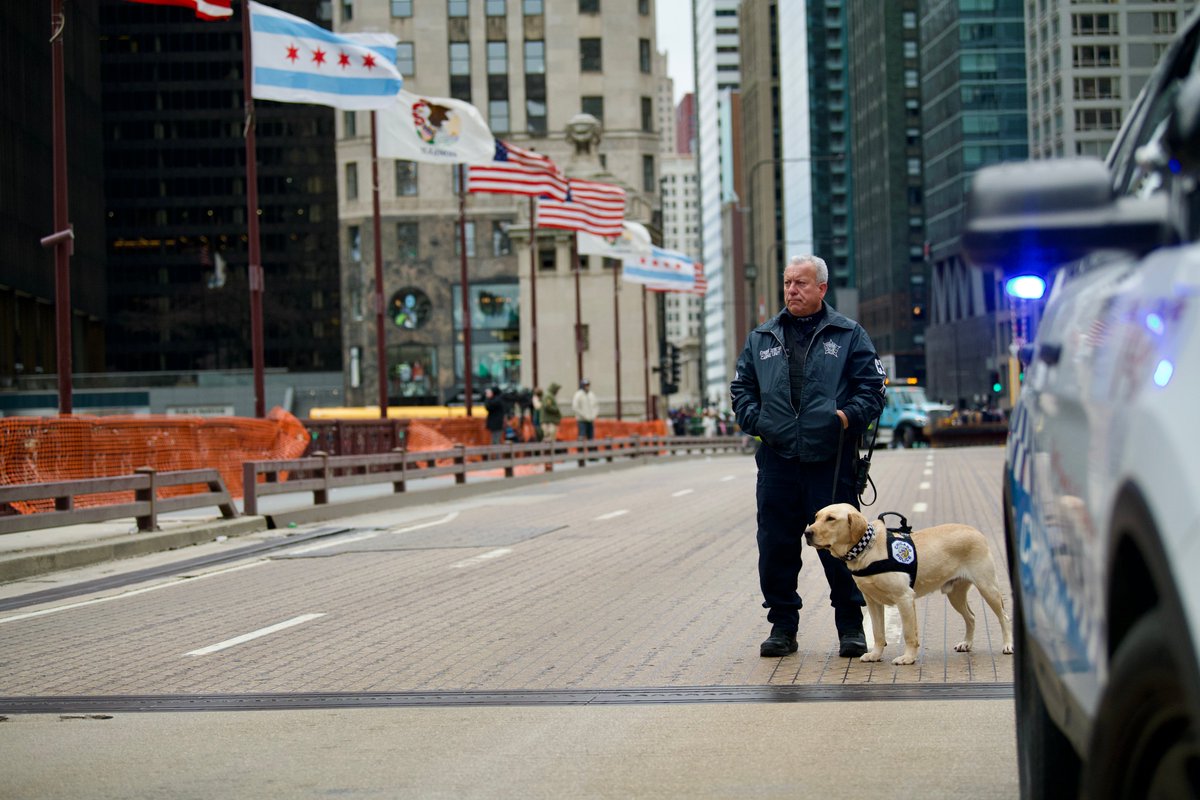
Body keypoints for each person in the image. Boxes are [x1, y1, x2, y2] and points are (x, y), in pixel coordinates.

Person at [730, 254, 886, 659]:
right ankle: (783, 627)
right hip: (777, 461)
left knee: (843, 546)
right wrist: (758, 420)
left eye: (800, 283)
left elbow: (873, 388)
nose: (792, 290)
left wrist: (844, 417)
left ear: (821, 288)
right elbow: (741, 389)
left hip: (830, 462)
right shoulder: (762, 337)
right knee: (776, 547)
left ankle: (851, 626)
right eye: (787, 283)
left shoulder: (849, 334)